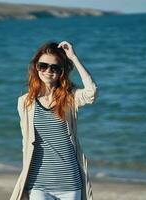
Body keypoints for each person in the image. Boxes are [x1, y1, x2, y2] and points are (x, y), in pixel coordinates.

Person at [10, 40, 97, 200]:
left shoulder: (70, 97)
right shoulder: (25, 102)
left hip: (69, 183)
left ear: (62, 71)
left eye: (55, 67)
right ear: (36, 67)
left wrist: (73, 57)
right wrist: (24, 181)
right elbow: (26, 144)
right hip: (37, 183)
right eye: (43, 65)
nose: (48, 71)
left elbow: (91, 93)